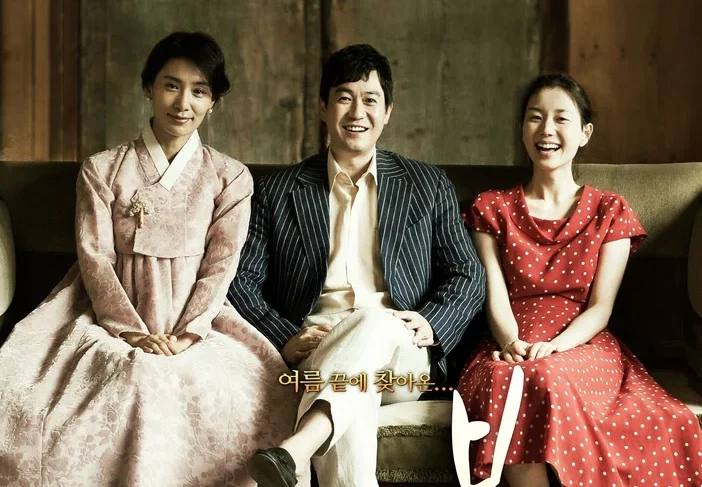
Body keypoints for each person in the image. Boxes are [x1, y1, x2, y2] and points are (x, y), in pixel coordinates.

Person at [0, 32, 306, 487]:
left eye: (199, 91)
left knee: (234, 393)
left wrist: (187, 334)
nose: (183, 103)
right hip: (109, 316)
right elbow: (95, 257)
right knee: (105, 382)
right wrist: (131, 332)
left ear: (212, 103)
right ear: (148, 88)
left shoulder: (229, 177)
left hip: (198, 319)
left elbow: (220, 266)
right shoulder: (102, 169)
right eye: (171, 85)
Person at [228, 44, 486, 487]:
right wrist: (285, 336)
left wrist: (431, 322)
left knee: (374, 319)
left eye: (370, 99)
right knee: (353, 393)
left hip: (402, 357)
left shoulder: (426, 185)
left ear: (387, 112)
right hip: (316, 351)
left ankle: (297, 448)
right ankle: (297, 451)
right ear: (323, 108)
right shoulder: (278, 191)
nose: (357, 112)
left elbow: (468, 273)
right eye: (344, 97)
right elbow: (241, 282)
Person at [458, 73, 702, 486]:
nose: (546, 129)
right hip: (509, 342)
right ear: (522, 129)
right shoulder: (491, 208)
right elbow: (494, 295)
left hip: (580, 343)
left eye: (561, 118)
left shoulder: (610, 211)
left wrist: (555, 347)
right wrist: (512, 343)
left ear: (585, 133)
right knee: (510, 379)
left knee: (544, 375)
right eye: (535, 117)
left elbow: (600, 309)